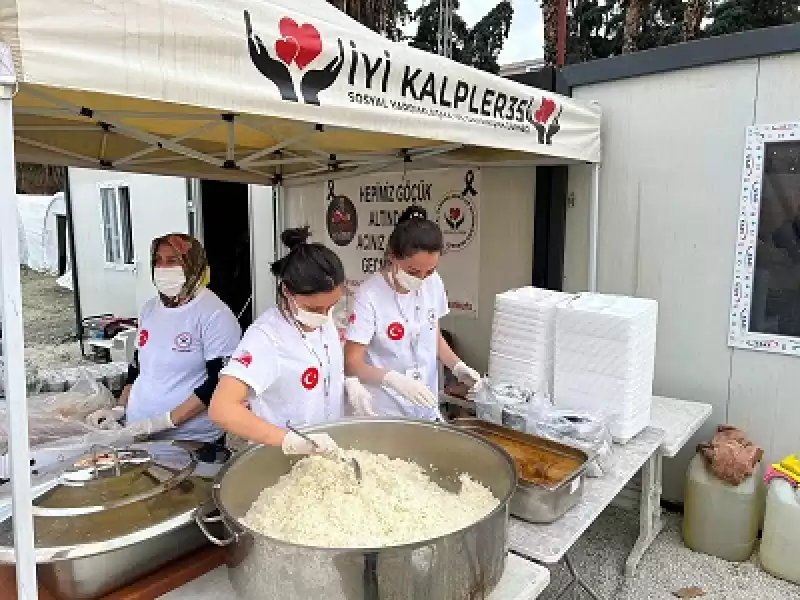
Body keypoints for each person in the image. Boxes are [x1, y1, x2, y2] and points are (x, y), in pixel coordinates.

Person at [86, 234, 242, 450]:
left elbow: (220, 383)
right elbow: (137, 368)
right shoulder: (149, 309)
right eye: (157, 260)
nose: (162, 267)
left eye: (172, 260)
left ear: (192, 265)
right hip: (138, 430)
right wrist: (119, 409)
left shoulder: (215, 315)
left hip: (190, 439)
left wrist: (163, 422)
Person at [208, 226, 349, 455]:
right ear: (286, 290)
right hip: (281, 456)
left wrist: (346, 384)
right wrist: (291, 441)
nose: (324, 315)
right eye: (314, 307)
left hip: (328, 450)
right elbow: (222, 409)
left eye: (330, 306)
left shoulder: (323, 317)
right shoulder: (266, 338)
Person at [343, 205, 482, 420]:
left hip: (425, 401)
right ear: (392, 257)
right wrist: (392, 379)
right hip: (385, 407)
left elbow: (432, 334)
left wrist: (457, 366)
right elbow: (352, 363)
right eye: (413, 272)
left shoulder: (433, 283)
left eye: (430, 271)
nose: (422, 279)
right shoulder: (369, 296)